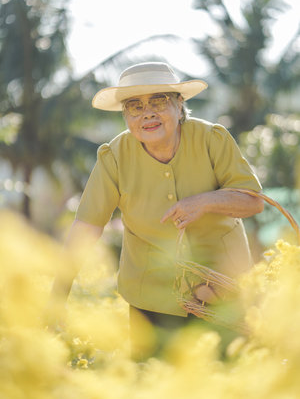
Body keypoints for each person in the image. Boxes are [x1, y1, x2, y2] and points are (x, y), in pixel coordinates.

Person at [54, 61, 264, 360]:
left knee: (226, 379)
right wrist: (58, 294)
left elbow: (253, 201)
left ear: (180, 106)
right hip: (150, 296)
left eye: (159, 101)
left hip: (221, 289)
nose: (147, 113)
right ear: (125, 115)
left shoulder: (212, 139)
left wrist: (203, 202)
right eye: (135, 106)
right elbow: (87, 226)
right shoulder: (114, 157)